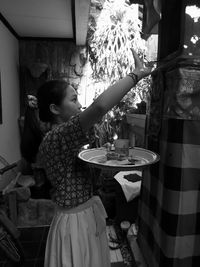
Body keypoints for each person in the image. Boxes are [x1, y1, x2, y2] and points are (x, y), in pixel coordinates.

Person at [36, 49, 152, 267]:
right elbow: (99, 107)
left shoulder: (66, 140)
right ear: (54, 109)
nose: (80, 105)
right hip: (74, 224)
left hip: (85, 217)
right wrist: (136, 74)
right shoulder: (55, 138)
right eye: (73, 99)